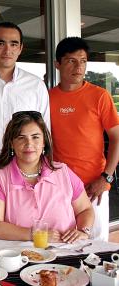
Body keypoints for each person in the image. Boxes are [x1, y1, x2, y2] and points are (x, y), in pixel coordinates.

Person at [0, 111, 94, 243]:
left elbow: (85, 209)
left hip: (65, 254)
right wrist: (35, 235)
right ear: (11, 143)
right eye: (21, 137)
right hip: (20, 257)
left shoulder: (64, 173)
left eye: (35, 137)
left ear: (44, 142)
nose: (29, 144)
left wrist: (83, 231)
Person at [50, 37, 119, 241]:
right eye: (71, 60)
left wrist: (106, 177)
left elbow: (116, 138)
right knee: (63, 243)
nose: (78, 67)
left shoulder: (99, 96)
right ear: (58, 64)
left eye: (83, 61)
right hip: (60, 185)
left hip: (93, 186)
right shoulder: (48, 97)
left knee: (95, 245)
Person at [0, 22, 50, 177]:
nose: (7, 50)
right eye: (1, 43)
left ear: (20, 48)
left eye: (14, 44)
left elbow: (45, 132)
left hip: (27, 164)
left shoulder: (36, 85)